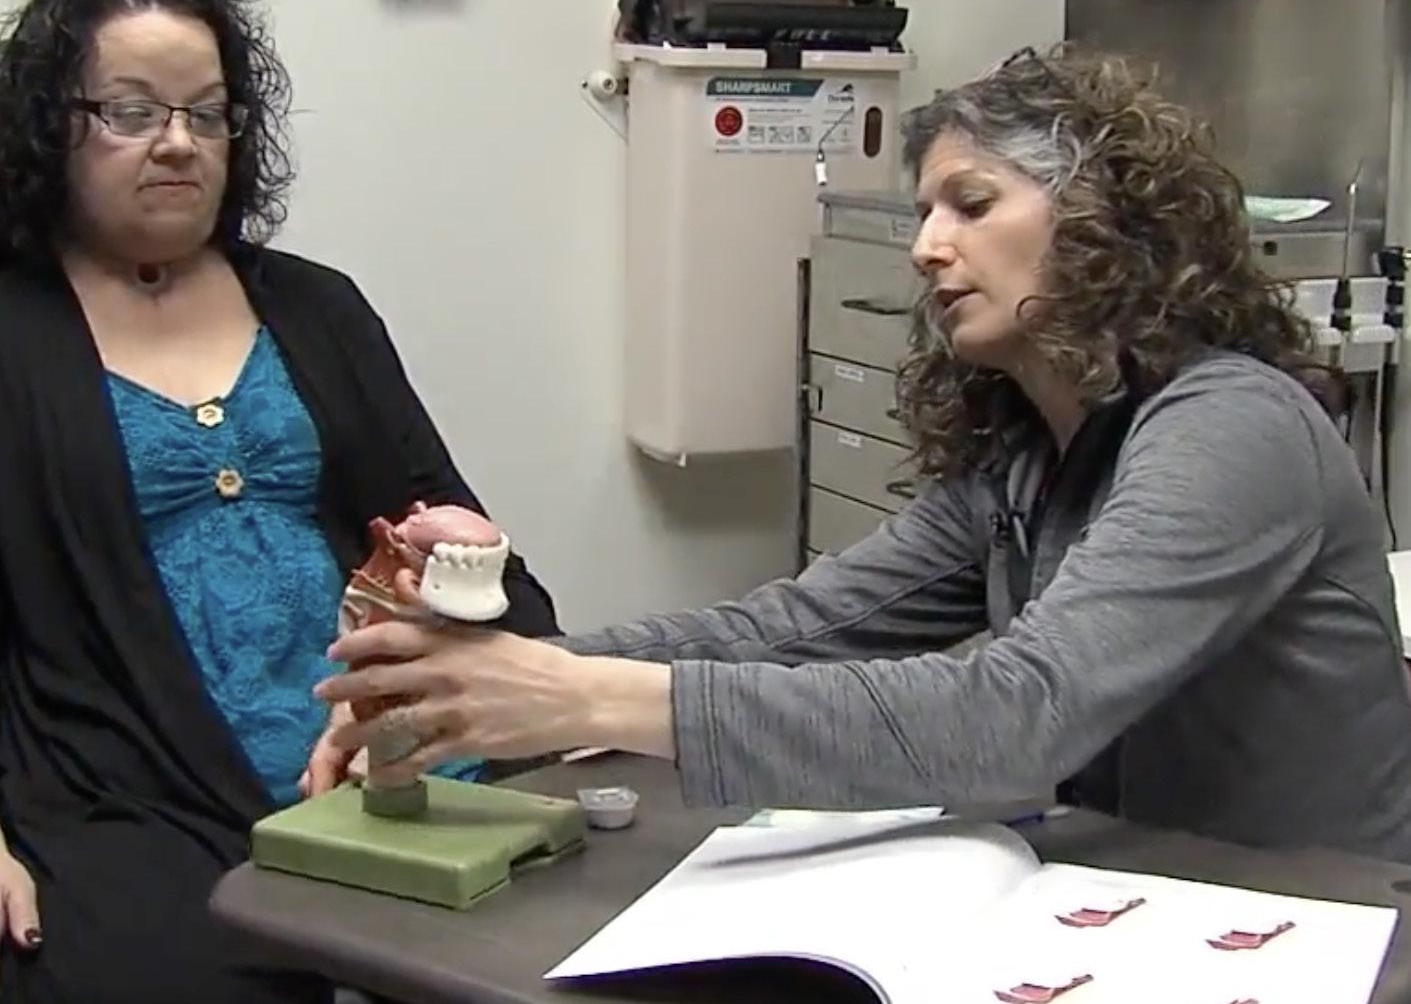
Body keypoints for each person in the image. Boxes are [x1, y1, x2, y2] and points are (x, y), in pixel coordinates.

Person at [318, 44, 1411, 865]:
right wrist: (483, 681)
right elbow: (789, 630)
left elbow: (1017, 715)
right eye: (924, 211)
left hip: (1326, 932)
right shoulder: (1028, 461)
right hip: (1145, 907)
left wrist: (579, 698)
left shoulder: (1233, 427)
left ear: (1101, 221)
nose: (927, 247)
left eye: (971, 205)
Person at [0, 0, 558, 1004]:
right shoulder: (16, 330)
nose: (177, 142)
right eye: (131, 111)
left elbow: (447, 529)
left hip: (379, 751)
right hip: (125, 785)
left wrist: (469, 565)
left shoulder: (316, 306)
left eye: (208, 114)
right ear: (48, 127)